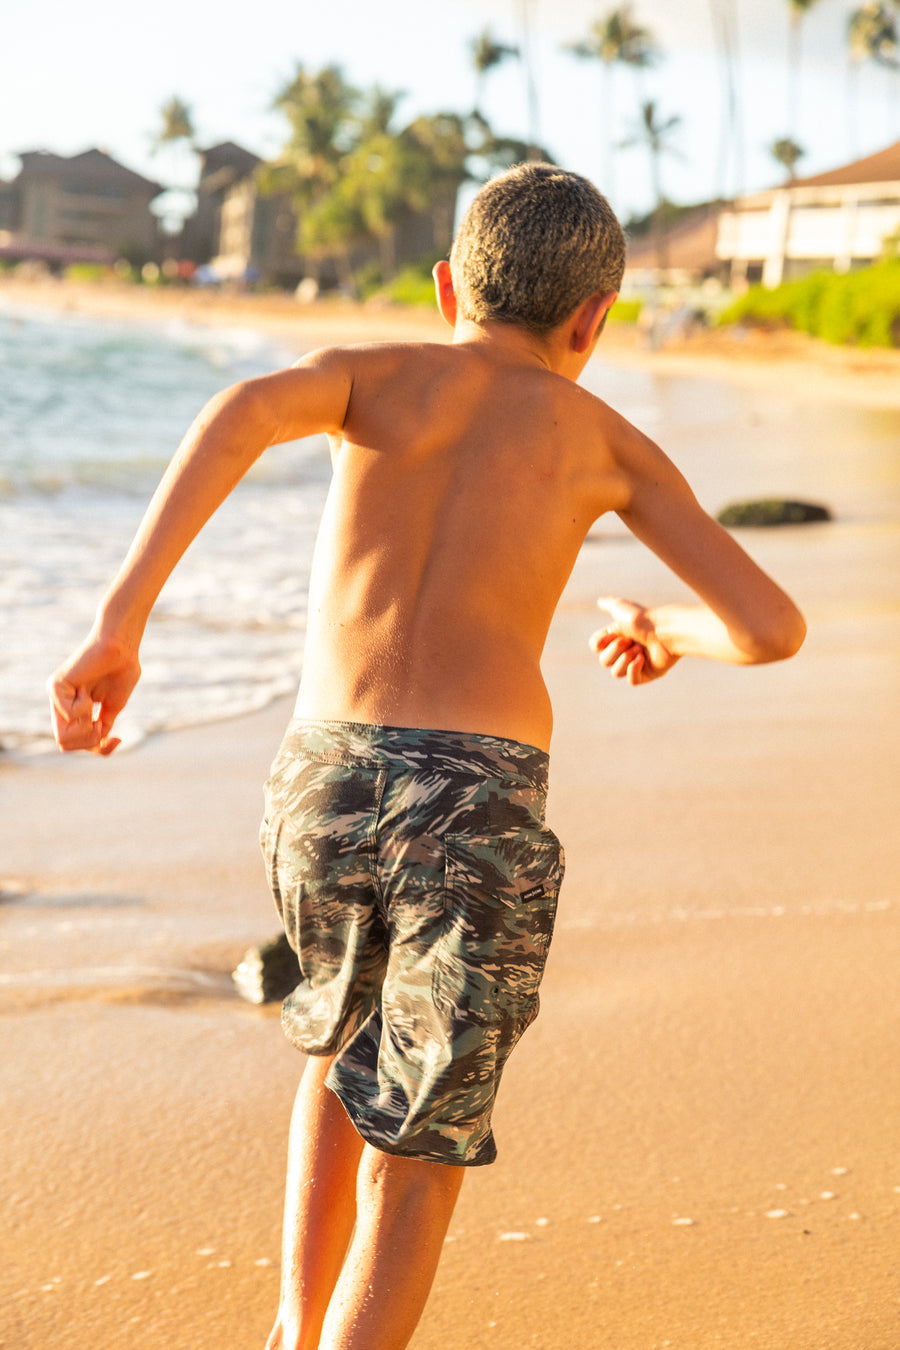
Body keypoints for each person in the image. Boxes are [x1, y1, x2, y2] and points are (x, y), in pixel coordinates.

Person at [47, 163, 806, 1350]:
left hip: (323, 777)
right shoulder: (608, 441)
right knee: (420, 1145)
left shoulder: (379, 376)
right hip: (478, 801)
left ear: (449, 284)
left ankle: (295, 1331)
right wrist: (666, 632)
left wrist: (120, 622)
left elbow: (237, 410)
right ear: (593, 324)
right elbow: (772, 627)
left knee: (339, 1044)